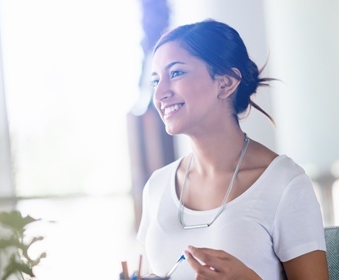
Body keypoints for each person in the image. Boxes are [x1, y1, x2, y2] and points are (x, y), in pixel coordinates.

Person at [136, 19, 328, 280]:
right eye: (156, 80)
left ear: (225, 83)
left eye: (176, 73)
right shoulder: (157, 187)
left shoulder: (284, 183)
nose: (160, 94)